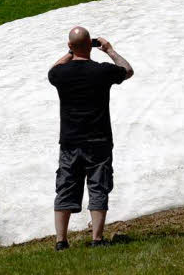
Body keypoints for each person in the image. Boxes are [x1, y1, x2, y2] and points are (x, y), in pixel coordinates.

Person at [48, 26, 134, 250]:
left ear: (70, 46)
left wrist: (70, 52)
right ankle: (97, 239)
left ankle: (61, 241)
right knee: (98, 187)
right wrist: (109, 50)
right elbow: (127, 70)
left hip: (69, 141)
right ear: (90, 46)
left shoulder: (60, 74)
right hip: (99, 140)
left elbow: (53, 69)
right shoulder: (102, 70)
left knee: (66, 186)